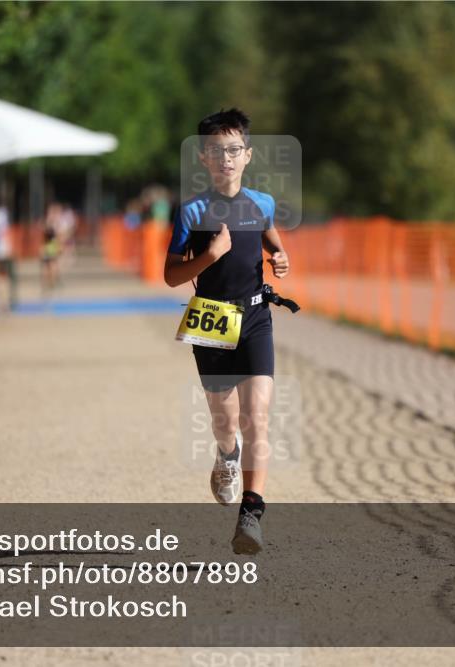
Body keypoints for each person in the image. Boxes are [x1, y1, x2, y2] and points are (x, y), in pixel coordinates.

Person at [164, 108, 293, 555]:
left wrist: (279, 258)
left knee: (257, 415)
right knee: (225, 422)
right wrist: (211, 254)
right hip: (211, 317)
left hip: (256, 317)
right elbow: (171, 276)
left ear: (248, 155)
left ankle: (251, 516)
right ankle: (227, 455)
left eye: (234, 150)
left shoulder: (262, 204)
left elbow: (271, 238)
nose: (227, 159)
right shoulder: (191, 211)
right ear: (204, 158)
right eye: (217, 151)